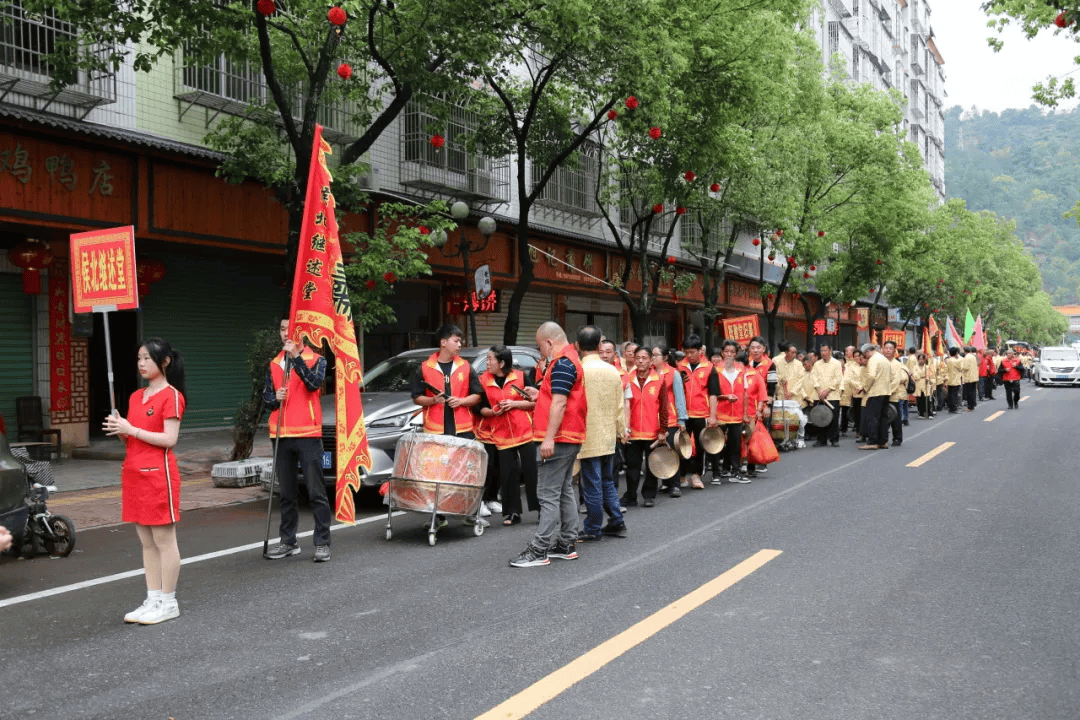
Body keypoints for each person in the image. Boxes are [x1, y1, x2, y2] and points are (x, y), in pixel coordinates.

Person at [103, 337, 186, 625]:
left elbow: (169, 440)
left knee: (164, 540)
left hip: (158, 476)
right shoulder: (136, 397)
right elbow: (132, 437)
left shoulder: (172, 396)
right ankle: (152, 599)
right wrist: (121, 428)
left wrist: (132, 429)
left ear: (165, 362)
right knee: (146, 542)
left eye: (148, 358)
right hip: (134, 474)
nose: (141, 364)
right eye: (139, 358)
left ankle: (168, 601)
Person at [510, 322, 588, 568]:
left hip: (559, 439)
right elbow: (556, 398)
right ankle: (567, 543)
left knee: (548, 495)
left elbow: (560, 403)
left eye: (540, 346)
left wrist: (548, 438)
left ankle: (539, 549)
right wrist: (538, 394)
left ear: (549, 342)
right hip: (569, 437)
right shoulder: (569, 360)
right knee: (563, 490)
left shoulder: (562, 363)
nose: (540, 351)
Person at [262, 318, 332, 562]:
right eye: (282, 329)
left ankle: (323, 542)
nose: (285, 333)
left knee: (316, 491)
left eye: (290, 329)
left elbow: (314, 385)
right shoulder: (274, 363)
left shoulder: (318, 359)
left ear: (303, 333)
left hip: (307, 433)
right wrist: (275, 397)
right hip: (280, 433)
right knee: (287, 493)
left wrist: (297, 359)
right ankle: (287, 542)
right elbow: (266, 398)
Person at [411, 324, 486, 530]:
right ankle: (438, 515)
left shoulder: (466, 367)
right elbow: (417, 397)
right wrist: (433, 400)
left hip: (462, 428)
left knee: (467, 472)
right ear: (443, 342)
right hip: (436, 429)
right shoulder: (425, 367)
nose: (459, 345)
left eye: (460, 341)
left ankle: (470, 513)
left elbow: (477, 395)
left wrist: (461, 401)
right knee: (437, 474)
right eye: (456, 340)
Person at [576, 327, 627, 540]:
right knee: (606, 481)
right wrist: (621, 431)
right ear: (599, 346)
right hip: (608, 436)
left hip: (587, 436)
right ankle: (616, 521)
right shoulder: (612, 371)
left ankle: (593, 527)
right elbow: (619, 407)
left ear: (577, 346)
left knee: (592, 485)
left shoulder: (578, 370)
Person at [476, 345, 537, 526]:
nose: (487, 363)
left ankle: (541, 509)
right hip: (501, 433)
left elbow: (533, 403)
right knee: (508, 475)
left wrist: (514, 404)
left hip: (524, 431)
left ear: (501, 363)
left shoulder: (520, 377)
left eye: (490, 359)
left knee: (531, 472)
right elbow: (480, 408)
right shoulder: (483, 380)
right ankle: (512, 512)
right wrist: (494, 412)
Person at [623, 346, 668, 506]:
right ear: (634, 360)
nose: (641, 361)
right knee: (632, 467)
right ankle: (631, 496)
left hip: (652, 431)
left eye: (644, 358)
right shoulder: (627, 378)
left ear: (651, 361)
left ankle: (649, 495)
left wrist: (663, 429)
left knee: (651, 466)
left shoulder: (659, 379)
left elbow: (664, 407)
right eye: (638, 358)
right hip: (632, 431)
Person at [677, 334, 719, 489]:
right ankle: (681, 476)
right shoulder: (680, 367)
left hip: (702, 413)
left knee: (701, 446)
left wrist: (713, 416)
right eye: (686, 352)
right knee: (681, 445)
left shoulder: (709, 368)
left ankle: (696, 476)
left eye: (692, 352)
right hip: (683, 414)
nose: (689, 356)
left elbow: (713, 393)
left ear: (700, 350)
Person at [712, 340, 751, 483]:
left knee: (735, 444)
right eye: (726, 351)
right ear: (722, 353)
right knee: (717, 444)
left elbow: (745, 393)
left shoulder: (741, 370)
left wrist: (745, 413)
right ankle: (716, 473)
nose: (729, 354)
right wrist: (725, 397)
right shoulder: (715, 370)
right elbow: (712, 393)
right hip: (720, 412)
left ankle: (735, 472)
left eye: (732, 352)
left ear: (736, 354)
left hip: (736, 414)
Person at [652, 344, 688, 495]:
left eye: (655, 355)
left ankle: (675, 484)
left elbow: (680, 396)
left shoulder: (673, 373)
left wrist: (682, 418)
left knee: (671, 450)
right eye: (652, 355)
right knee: (658, 452)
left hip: (671, 417)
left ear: (665, 358)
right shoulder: (649, 373)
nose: (653, 358)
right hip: (653, 418)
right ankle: (665, 481)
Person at [858, 343, 891, 450]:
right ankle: (883, 441)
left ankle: (872, 441)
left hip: (875, 392)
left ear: (867, 352)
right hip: (886, 391)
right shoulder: (884, 359)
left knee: (873, 418)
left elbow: (871, 376)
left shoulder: (873, 359)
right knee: (883, 418)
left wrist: (864, 387)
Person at [810, 344, 842, 447]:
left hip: (832, 395)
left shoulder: (836, 363)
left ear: (830, 350)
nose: (823, 353)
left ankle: (834, 439)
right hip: (818, 395)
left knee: (833, 417)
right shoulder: (817, 364)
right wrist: (819, 390)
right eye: (821, 350)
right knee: (819, 417)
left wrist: (827, 391)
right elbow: (813, 378)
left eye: (825, 350)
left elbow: (837, 379)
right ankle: (821, 440)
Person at [882, 340, 909, 447]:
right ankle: (882, 439)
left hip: (893, 396)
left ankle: (897, 438)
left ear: (894, 351)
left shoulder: (898, 364)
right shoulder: (880, 362)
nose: (888, 350)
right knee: (883, 419)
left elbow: (896, 381)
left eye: (890, 348)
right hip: (880, 395)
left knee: (895, 418)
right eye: (886, 348)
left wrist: (887, 392)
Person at [839, 349, 864, 439]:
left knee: (865, 413)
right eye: (855, 356)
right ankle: (858, 430)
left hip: (866, 392)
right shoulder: (851, 367)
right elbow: (850, 379)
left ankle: (865, 430)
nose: (857, 358)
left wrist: (864, 386)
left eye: (859, 355)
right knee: (857, 413)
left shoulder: (865, 365)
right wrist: (859, 386)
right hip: (856, 392)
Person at [961, 346, 979, 411]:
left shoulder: (967, 357)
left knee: (969, 392)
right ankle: (973, 404)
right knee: (973, 391)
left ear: (964, 351)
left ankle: (970, 406)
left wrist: (960, 368)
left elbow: (965, 367)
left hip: (969, 377)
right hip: (974, 376)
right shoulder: (973, 356)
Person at [945, 347, 962, 413]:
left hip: (949, 379)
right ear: (956, 353)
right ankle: (954, 408)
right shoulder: (956, 361)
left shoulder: (948, 360)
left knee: (950, 394)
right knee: (954, 394)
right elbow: (961, 368)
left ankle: (951, 408)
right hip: (955, 379)